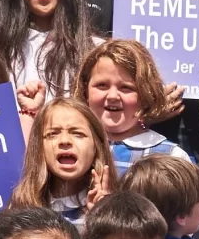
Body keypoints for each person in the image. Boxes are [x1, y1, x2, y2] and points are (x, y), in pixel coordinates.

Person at [82, 40, 191, 172]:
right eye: (102, 85)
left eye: (126, 88)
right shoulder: (71, 146)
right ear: (85, 90)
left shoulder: (171, 158)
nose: (112, 96)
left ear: (145, 95)